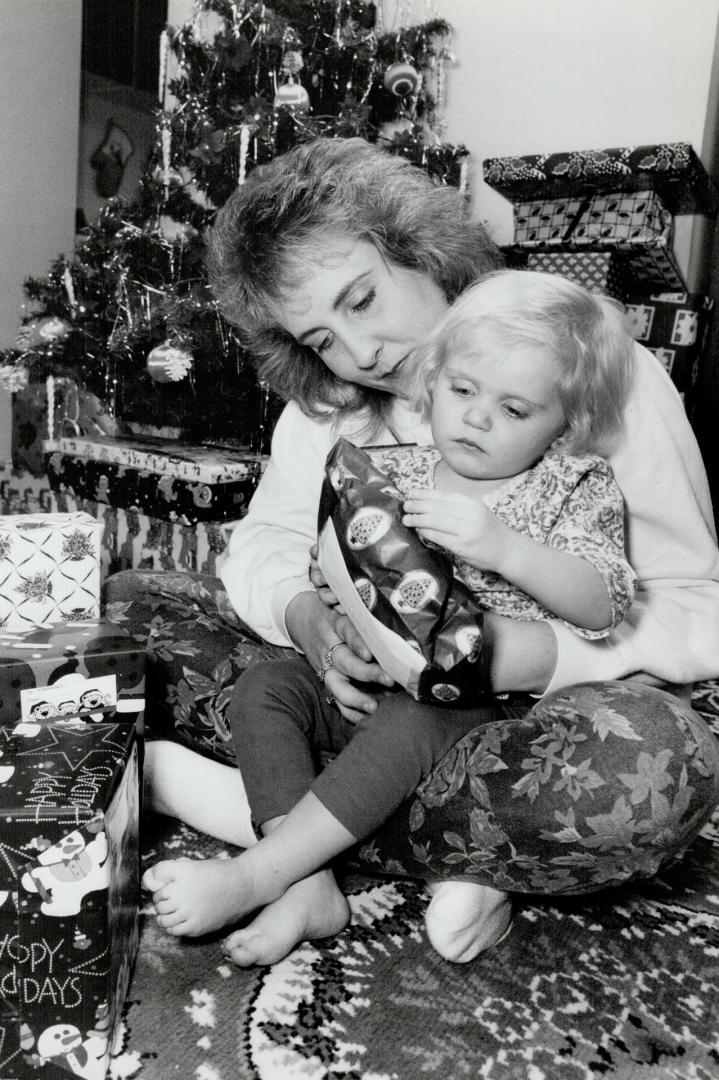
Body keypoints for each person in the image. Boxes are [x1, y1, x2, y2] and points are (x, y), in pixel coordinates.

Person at [136, 136, 719, 966]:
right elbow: (262, 543)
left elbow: (698, 610)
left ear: (416, 247)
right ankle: (464, 856)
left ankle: (269, 823)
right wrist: (310, 624)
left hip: (531, 724)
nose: (360, 351)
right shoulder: (331, 403)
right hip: (367, 710)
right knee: (135, 606)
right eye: (322, 337)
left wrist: (516, 656)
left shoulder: (591, 370)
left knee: (660, 764)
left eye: (362, 299)